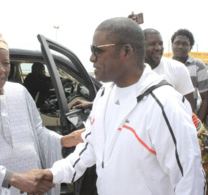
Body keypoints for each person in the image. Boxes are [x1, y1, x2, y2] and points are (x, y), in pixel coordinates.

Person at [35, 17, 205, 195]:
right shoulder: (104, 94)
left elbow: (190, 181)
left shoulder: (165, 105)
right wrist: (54, 173)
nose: (91, 58)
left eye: (97, 50)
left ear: (126, 51)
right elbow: (91, 146)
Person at [0, 29, 85, 195]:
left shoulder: (19, 92)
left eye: (5, 63)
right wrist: (12, 178)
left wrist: (64, 140)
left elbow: (38, 132)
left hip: (33, 187)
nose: (1, 69)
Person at [72, 28, 195, 111]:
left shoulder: (178, 69)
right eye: (152, 44)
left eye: (160, 44)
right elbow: (121, 102)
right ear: (139, 47)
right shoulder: (128, 73)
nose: (158, 48)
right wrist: (92, 105)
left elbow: (189, 108)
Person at [171, 28, 208, 122]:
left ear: (190, 47)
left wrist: (197, 125)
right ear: (172, 45)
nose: (180, 46)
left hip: (189, 119)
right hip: (168, 119)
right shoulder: (165, 65)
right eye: (177, 43)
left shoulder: (198, 66)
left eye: (185, 44)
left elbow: (205, 98)